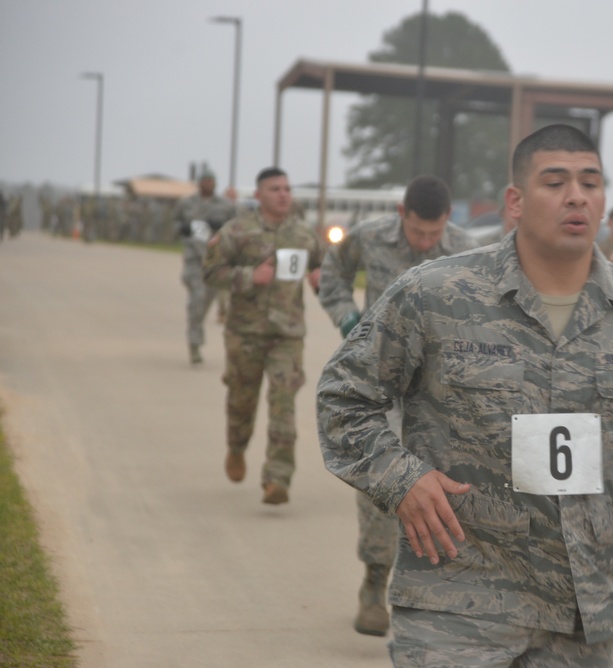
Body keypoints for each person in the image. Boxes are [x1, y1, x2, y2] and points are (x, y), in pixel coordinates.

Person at [316, 124, 613, 666]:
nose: (576, 196)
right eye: (555, 182)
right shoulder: (435, 295)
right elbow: (343, 395)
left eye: (590, 182)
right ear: (516, 201)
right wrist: (400, 479)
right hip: (456, 600)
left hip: (580, 612)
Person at [317, 174, 478, 636]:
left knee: (452, 483)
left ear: (447, 220)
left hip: (442, 389)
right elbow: (332, 272)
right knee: (382, 480)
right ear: (401, 214)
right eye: (417, 231)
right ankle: (374, 581)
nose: (426, 242)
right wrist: (348, 317)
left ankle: (443, 594)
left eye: (434, 232)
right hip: (384, 382)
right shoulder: (369, 237)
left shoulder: (466, 250)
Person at [203, 167, 323, 505]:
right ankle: (236, 447)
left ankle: (277, 478)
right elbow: (210, 272)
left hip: (287, 335)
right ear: (258, 195)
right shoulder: (237, 231)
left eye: (287, 188)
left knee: (284, 403)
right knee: (242, 401)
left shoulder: (304, 234)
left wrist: (321, 278)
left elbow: (322, 267)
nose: (283, 194)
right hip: (245, 332)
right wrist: (248, 276)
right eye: (274, 189)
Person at [175, 167, 236, 364]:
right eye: (205, 180)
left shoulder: (225, 206)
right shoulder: (186, 203)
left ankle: (197, 328)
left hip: (216, 261)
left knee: (206, 301)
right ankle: (194, 343)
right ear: (199, 183)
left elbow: (237, 229)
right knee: (197, 298)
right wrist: (182, 229)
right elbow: (174, 224)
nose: (208, 184)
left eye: (211, 180)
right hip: (194, 260)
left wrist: (221, 227)